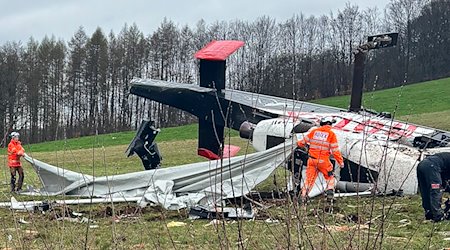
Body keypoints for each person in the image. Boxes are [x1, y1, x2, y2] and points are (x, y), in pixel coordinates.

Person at [297, 116, 344, 203]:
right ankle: (330, 195)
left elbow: (301, 143)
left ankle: (303, 197)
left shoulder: (314, 132)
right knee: (330, 177)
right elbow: (335, 151)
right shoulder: (331, 134)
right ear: (329, 124)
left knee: (309, 180)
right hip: (323, 161)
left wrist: (299, 144)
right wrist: (341, 162)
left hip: (311, 160)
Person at [416, 152, 450, 222]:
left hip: (422, 165)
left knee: (425, 191)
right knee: (436, 191)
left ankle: (429, 213)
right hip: (432, 167)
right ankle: (438, 216)